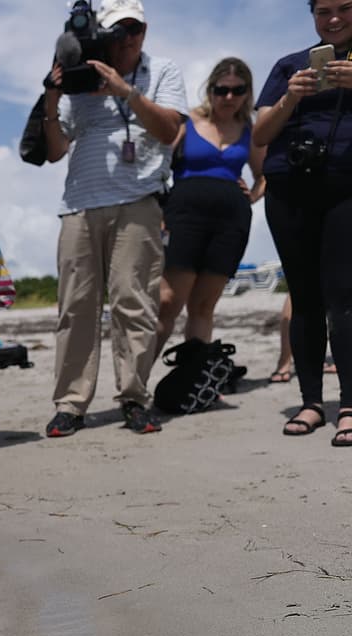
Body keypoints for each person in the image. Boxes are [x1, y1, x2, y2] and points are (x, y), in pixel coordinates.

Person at [40, 0, 187, 437]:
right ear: (103, 34)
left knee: (134, 303)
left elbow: (169, 131)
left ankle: (135, 398)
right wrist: (52, 96)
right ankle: (70, 404)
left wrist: (125, 91)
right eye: (118, 31)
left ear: (145, 30)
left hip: (139, 200)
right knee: (75, 308)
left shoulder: (162, 71)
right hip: (79, 204)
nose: (128, 38)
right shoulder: (80, 74)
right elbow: (53, 151)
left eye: (135, 29)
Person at [254, 1, 352, 442]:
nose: (333, 19)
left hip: (346, 190)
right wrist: (292, 96)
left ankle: (349, 403)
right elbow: (260, 134)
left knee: (344, 298)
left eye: (345, 9)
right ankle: (311, 401)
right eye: (323, 11)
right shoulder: (290, 65)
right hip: (291, 190)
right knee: (305, 298)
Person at [155, 58, 266, 355]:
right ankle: (136, 384)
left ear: (247, 92)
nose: (229, 97)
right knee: (168, 301)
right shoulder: (187, 121)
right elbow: (158, 166)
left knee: (203, 306)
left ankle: (192, 378)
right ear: (210, 89)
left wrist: (254, 195)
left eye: (237, 90)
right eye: (222, 90)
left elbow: (264, 174)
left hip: (231, 222)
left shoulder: (250, 130)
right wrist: (158, 211)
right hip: (183, 215)